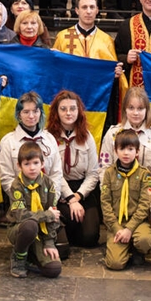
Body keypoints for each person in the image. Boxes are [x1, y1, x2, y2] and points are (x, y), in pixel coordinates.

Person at [47, 90, 101, 249]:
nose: (68, 113)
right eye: (63, 109)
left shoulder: (87, 137)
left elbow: (93, 173)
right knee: (71, 220)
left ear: (79, 111)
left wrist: (78, 196)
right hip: (59, 188)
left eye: (72, 108)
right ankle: (63, 232)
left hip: (83, 189)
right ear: (56, 112)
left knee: (90, 238)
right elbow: (53, 173)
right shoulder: (49, 137)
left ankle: (71, 231)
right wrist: (70, 198)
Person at [100, 130, 151, 270]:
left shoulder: (144, 175)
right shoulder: (109, 174)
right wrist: (116, 228)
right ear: (115, 151)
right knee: (115, 264)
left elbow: (144, 205)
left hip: (138, 222)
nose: (126, 153)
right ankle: (125, 248)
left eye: (130, 149)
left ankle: (137, 248)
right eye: (122, 149)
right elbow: (105, 203)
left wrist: (129, 229)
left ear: (137, 152)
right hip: (117, 222)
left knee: (145, 241)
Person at [8, 141, 63, 278]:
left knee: (54, 269)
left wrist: (49, 242)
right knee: (30, 225)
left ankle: (31, 255)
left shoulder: (49, 184)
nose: (32, 168)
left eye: (35, 163)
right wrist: (47, 215)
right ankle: (19, 258)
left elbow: (54, 216)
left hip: (42, 233)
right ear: (19, 166)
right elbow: (21, 215)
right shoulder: (16, 186)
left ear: (42, 164)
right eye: (27, 164)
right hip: (19, 229)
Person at [99, 85, 151, 175]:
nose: (135, 113)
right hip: (116, 187)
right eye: (131, 108)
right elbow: (104, 168)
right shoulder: (112, 134)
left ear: (147, 110)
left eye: (140, 108)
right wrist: (107, 188)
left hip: (148, 187)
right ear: (124, 109)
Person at [52, 0, 116, 60]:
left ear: (97, 10)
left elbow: (113, 67)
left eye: (92, 7)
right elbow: (54, 65)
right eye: (84, 7)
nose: (88, 11)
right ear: (77, 11)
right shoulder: (62, 37)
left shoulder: (106, 40)